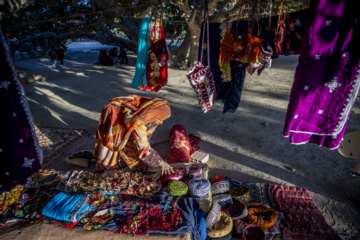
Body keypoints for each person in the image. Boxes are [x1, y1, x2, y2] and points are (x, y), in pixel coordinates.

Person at [94, 95, 174, 176]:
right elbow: (144, 149)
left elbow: (146, 136)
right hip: (116, 116)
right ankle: (107, 164)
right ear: (153, 115)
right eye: (160, 119)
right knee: (115, 143)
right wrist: (162, 163)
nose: (161, 123)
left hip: (124, 115)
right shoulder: (139, 122)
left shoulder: (149, 110)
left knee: (135, 146)